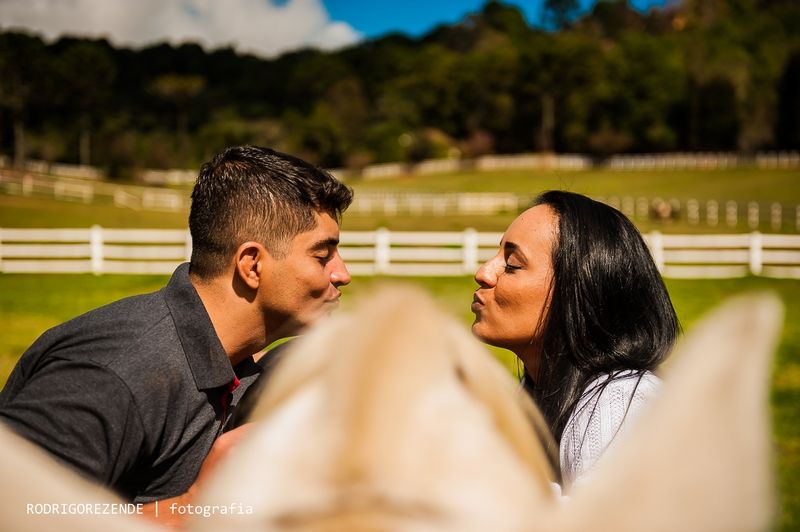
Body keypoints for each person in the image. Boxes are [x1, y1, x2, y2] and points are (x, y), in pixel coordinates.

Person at [0, 145, 353, 521]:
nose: (342, 274)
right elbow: (20, 512)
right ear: (252, 265)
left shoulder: (236, 358)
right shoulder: (114, 374)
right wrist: (198, 501)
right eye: (322, 255)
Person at [471, 190, 679, 489]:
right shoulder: (534, 392)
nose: (484, 272)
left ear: (578, 293)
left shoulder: (621, 405)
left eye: (512, 263)